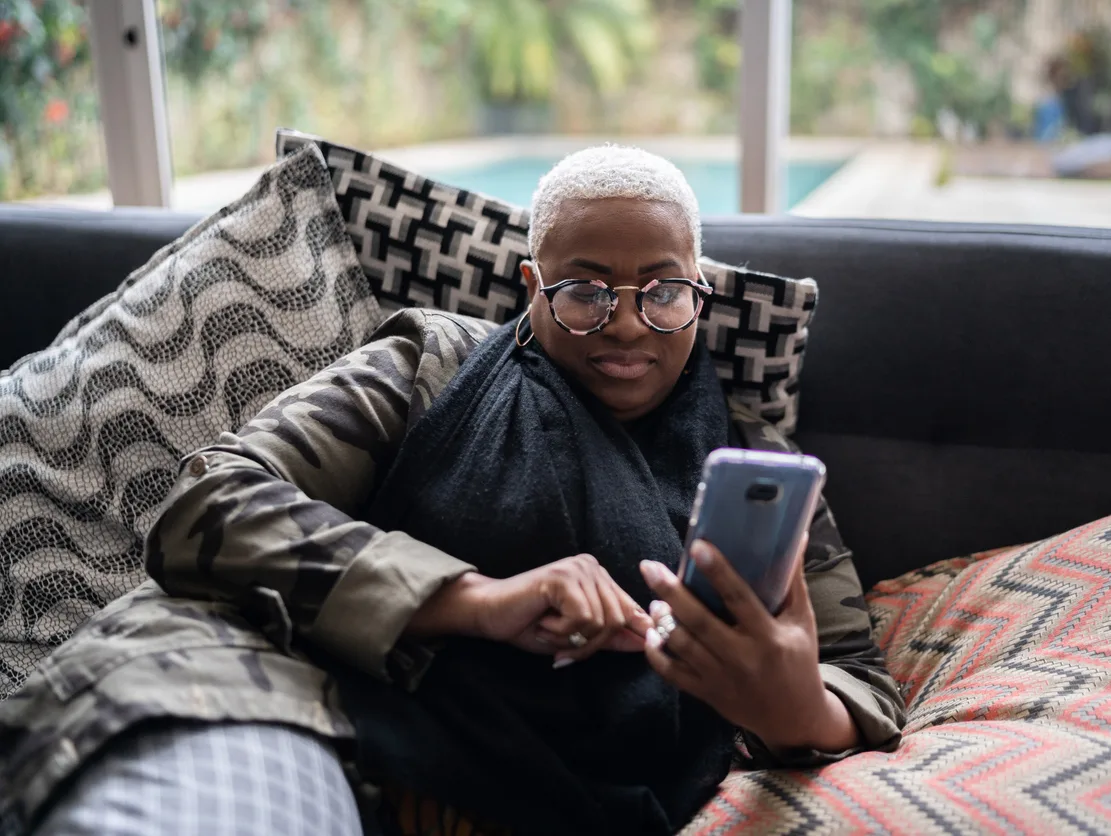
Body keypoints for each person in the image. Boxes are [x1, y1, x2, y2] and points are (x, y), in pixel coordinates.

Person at [4, 146, 904, 836]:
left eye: (662, 291)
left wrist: (794, 711)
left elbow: (857, 682)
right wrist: (472, 599)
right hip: (298, 711)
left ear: (699, 295)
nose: (626, 322)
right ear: (529, 286)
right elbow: (207, 505)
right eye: (583, 291)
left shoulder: (757, 472)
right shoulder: (431, 363)